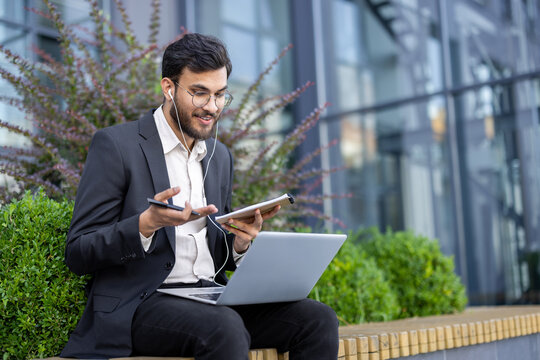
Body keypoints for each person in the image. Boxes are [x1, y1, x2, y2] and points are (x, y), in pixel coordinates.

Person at [61, 33, 339, 360]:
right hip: (143, 303)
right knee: (224, 326)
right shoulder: (117, 146)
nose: (212, 107)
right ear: (168, 88)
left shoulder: (219, 156)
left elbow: (213, 248)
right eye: (199, 93)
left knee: (317, 319)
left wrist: (239, 244)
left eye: (220, 95)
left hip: (211, 299)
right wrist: (145, 225)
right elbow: (78, 251)